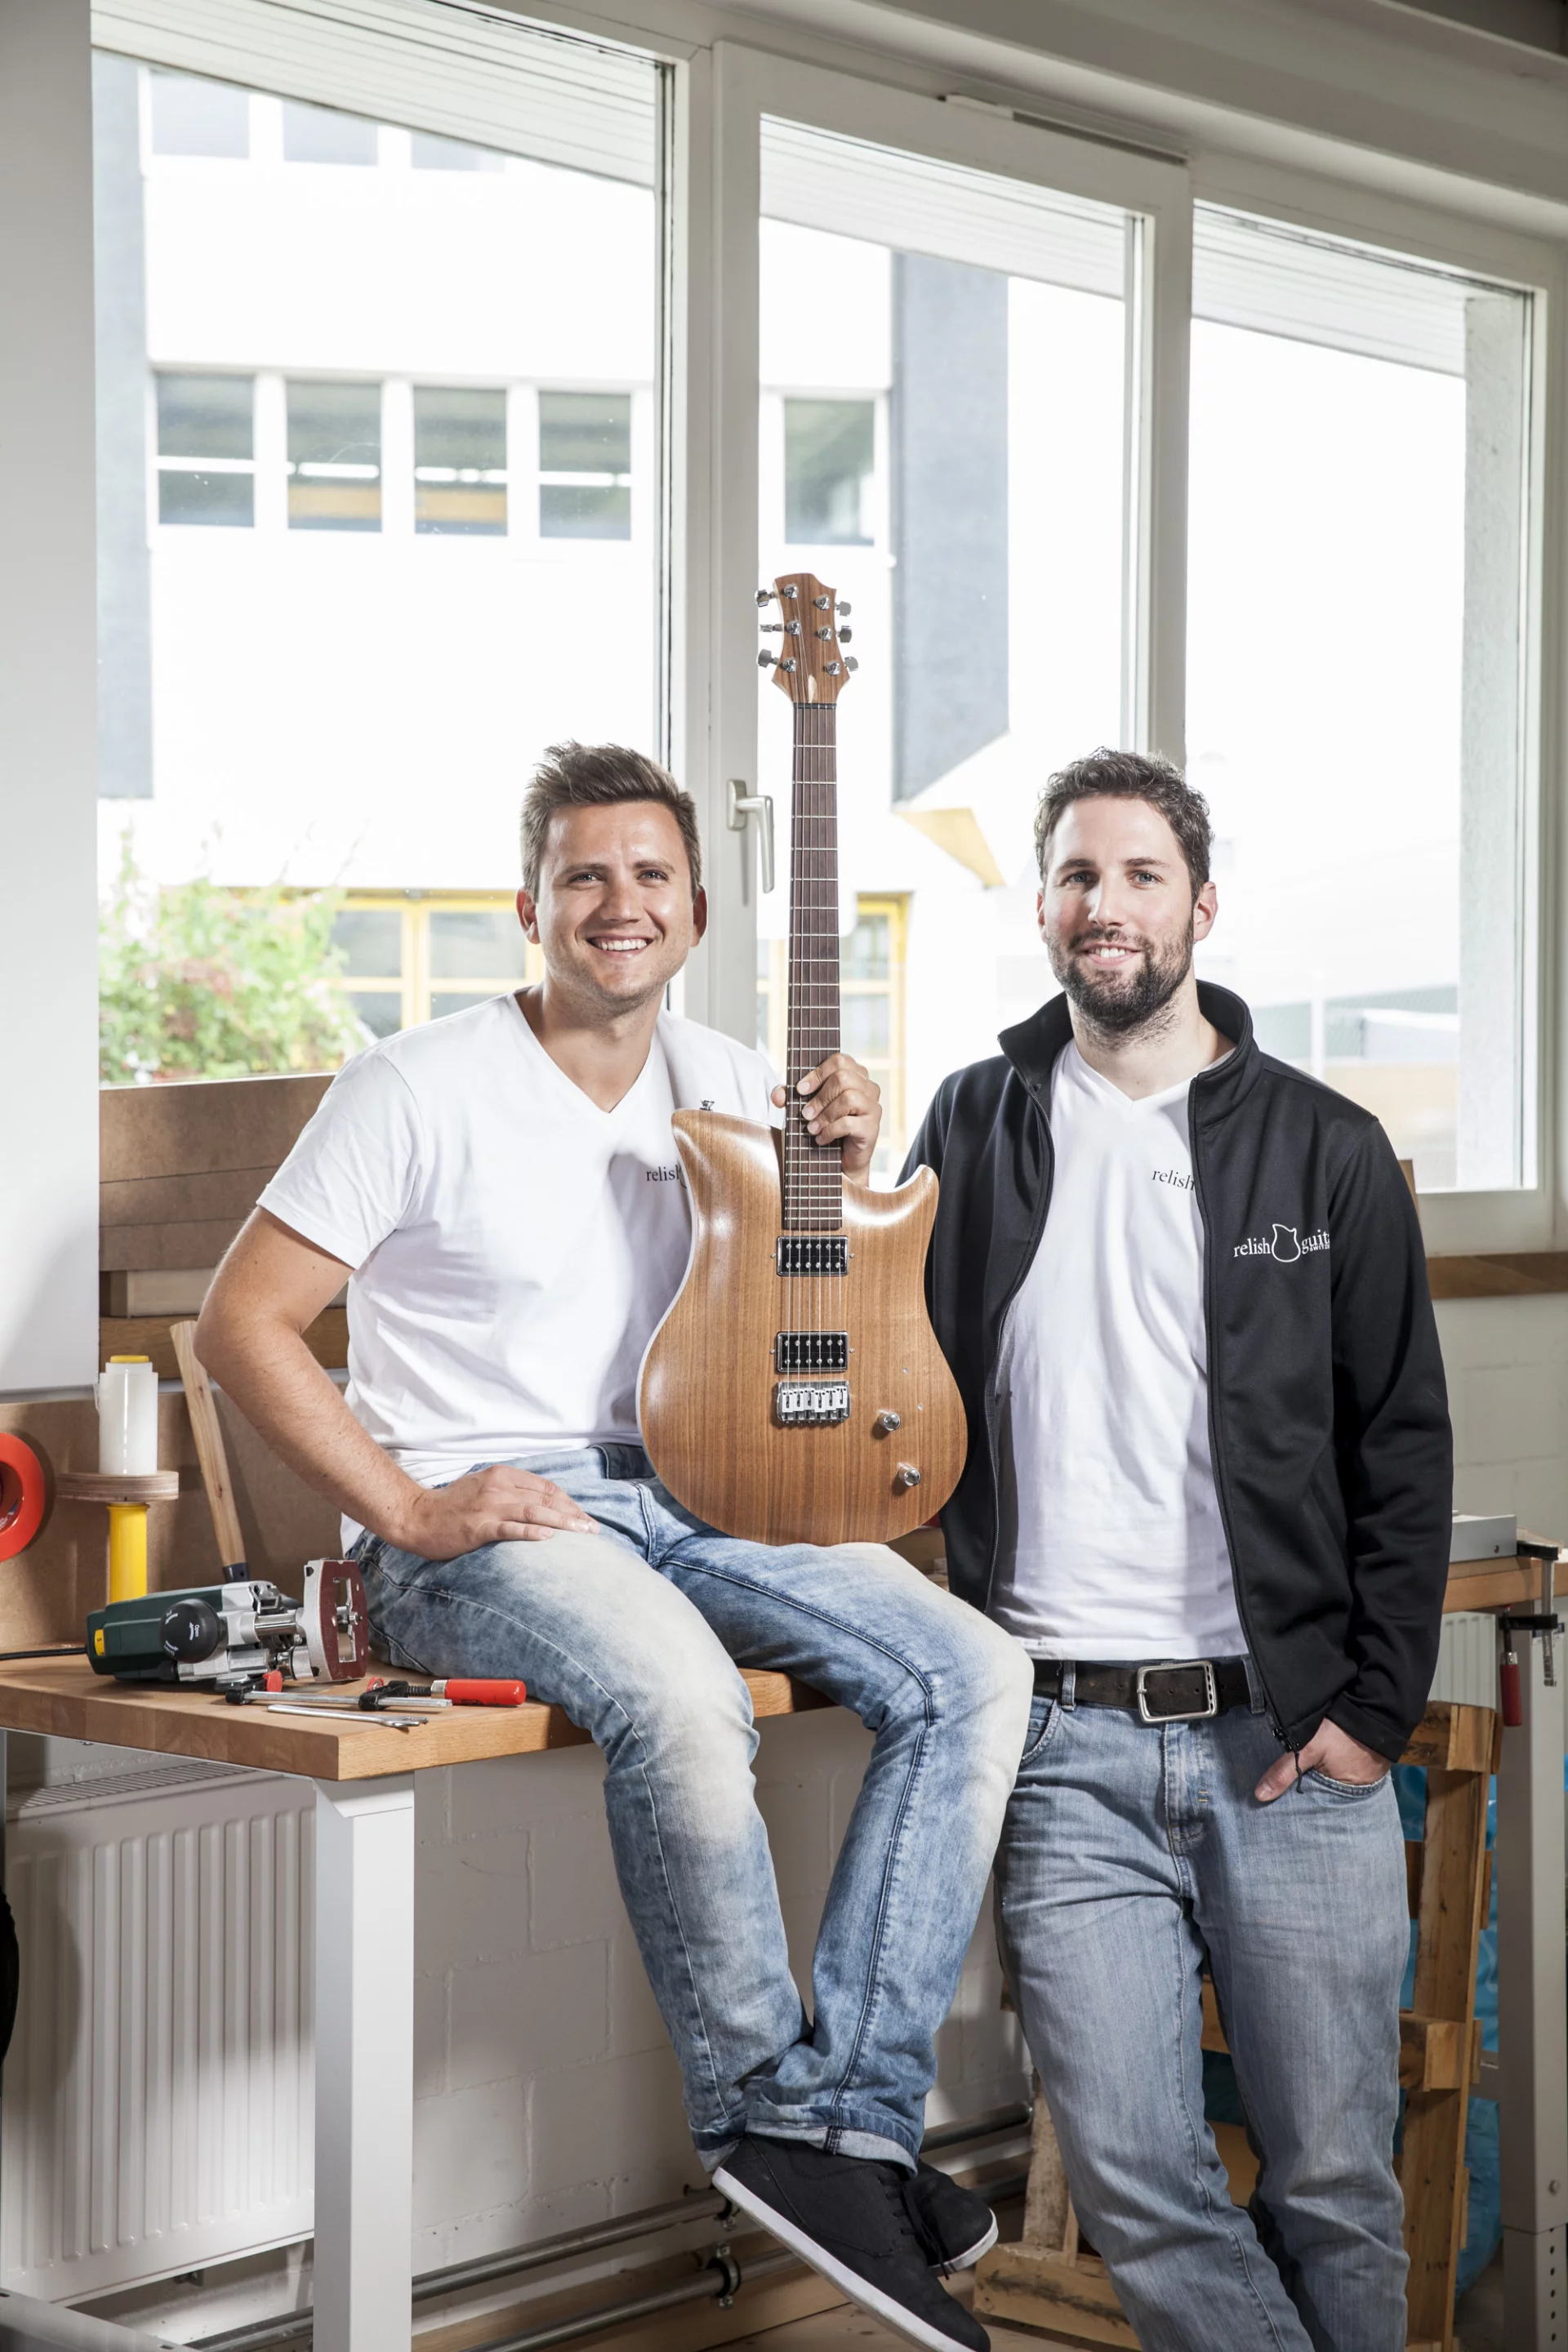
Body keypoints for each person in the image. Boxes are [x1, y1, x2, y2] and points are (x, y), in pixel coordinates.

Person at [197, 741, 1033, 2352]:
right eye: (584, 875)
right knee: (683, 1696)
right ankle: (758, 2118)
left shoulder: (728, 1078)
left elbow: (806, 1311)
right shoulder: (417, 1085)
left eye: (649, 876)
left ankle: (852, 2123)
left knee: (976, 1667)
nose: (619, 903)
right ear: (530, 906)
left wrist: (841, 1170)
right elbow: (242, 1328)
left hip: (694, 1489)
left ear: (697, 910)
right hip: (488, 1518)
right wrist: (408, 1511)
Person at [902, 748, 1451, 2352]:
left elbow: (1401, 1441)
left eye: (1142, 874)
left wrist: (1370, 1707)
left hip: (1286, 1742)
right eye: (1078, 874)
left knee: (1338, 2180)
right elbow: (896, 1394)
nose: (1108, 905)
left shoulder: (1324, 1148)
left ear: (1202, 905)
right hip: (1064, 1746)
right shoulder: (976, 1121)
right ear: (1043, 906)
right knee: (1142, 2184)